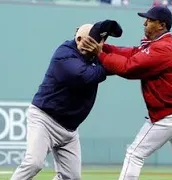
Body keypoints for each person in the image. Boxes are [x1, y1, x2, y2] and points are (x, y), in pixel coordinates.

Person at [80, 6, 172, 180]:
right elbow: (130, 53)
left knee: (134, 153)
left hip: (170, 114)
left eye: (150, 20)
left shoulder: (163, 48)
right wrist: (104, 48)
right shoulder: (158, 45)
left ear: (161, 25)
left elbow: (129, 68)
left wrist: (100, 54)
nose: (145, 23)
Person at [10, 20, 122, 180]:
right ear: (78, 39)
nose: (92, 47)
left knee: (72, 177)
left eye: (97, 43)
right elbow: (84, 76)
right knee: (34, 163)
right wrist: (106, 62)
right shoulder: (65, 53)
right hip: (45, 120)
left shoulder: (94, 54)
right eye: (89, 42)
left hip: (70, 130)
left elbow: (121, 60)